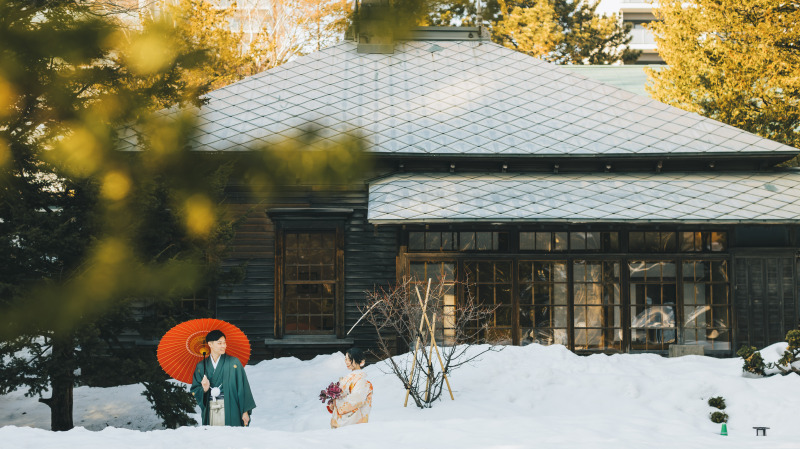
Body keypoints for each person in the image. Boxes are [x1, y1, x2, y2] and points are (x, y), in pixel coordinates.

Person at [190, 330, 256, 426]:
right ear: (210, 344)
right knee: (213, 434)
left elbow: (243, 387)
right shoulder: (201, 366)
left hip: (231, 407)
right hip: (211, 408)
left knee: (230, 434)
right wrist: (204, 389)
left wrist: (245, 411)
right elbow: (195, 390)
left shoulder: (233, 363)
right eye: (219, 343)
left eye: (224, 343)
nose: (224, 346)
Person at [327, 347, 373, 428]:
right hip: (342, 418)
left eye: (350, 359)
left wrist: (337, 403)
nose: (347, 362)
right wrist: (333, 404)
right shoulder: (347, 378)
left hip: (353, 421)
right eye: (346, 359)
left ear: (359, 360)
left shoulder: (361, 380)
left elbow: (356, 399)